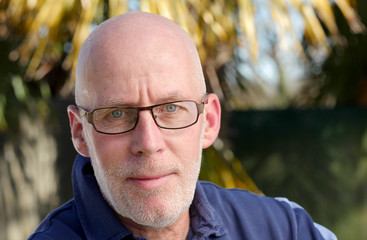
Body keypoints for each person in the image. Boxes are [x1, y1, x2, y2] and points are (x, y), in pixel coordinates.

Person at [28, 11, 337, 240]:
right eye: (118, 114)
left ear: (209, 122)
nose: (148, 142)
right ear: (80, 132)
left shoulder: (283, 228)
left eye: (171, 108)